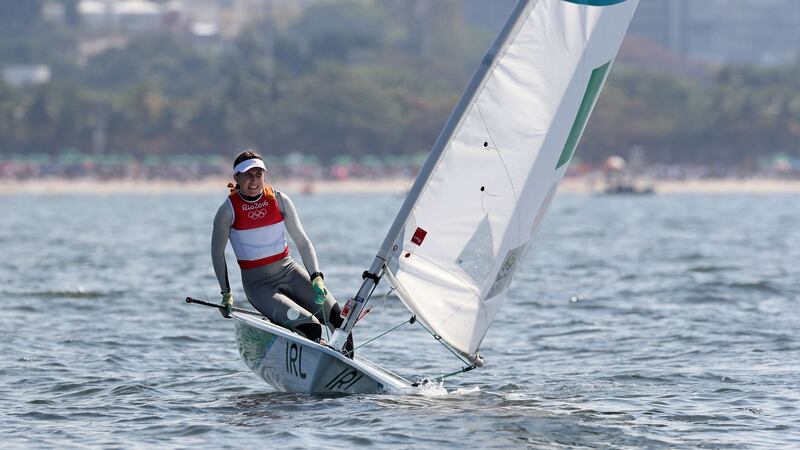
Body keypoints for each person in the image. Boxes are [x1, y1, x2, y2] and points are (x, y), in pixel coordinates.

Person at [211, 150, 352, 352]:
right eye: (248, 175)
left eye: (258, 174)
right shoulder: (227, 211)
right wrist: (226, 294)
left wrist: (316, 277)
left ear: (264, 176)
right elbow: (217, 254)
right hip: (260, 286)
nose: (254, 181)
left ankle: (347, 372)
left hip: (290, 272)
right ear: (237, 178)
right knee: (311, 327)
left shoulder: (279, 200)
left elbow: (303, 242)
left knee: (339, 320)